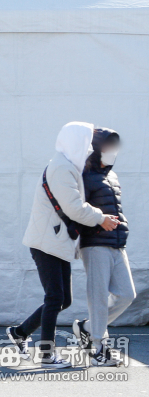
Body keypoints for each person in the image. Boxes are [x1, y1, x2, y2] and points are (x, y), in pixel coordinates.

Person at [7, 122, 119, 368]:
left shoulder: (65, 165)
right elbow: (74, 207)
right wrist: (102, 218)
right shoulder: (61, 168)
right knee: (55, 297)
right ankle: (47, 355)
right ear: (76, 141)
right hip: (47, 241)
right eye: (87, 141)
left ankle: (20, 333)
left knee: (62, 299)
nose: (90, 147)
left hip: (53, 240)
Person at [73, 128, 135, 367]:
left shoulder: (112, 176)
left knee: (127, 295)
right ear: (98, 148)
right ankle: (98, 347)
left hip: (118, 243)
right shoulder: (84, 175)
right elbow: (77, 210)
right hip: (95, 243)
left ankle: (87, 327)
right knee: (97, 297)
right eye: (109, 146)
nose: (114, 151)